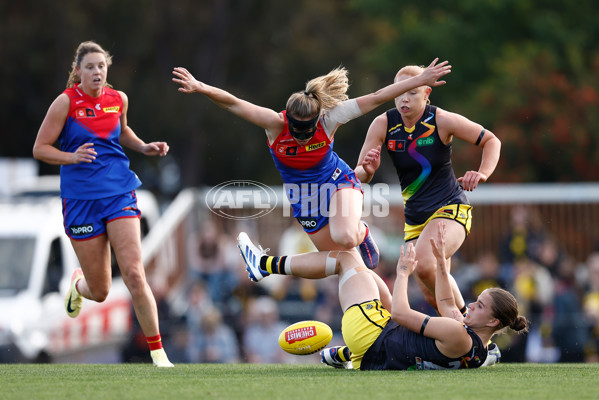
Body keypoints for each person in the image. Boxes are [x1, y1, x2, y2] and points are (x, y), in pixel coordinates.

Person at [172, 59, 452, 269]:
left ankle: (361, 231)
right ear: (288, 118)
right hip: (305, 197)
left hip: (338, 180)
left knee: (345, 237)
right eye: (298, 129)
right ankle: (269, 266)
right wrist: (201, 87)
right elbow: (233, 103)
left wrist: (420, 80)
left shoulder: (330, 119)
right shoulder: (274, 124)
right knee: (339, 263)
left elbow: (378, 97)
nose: (303, 136)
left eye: (309, 129)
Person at [32, 41, 173, 367]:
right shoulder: (65, 103)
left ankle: (158, 353)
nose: (97, 72)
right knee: (101, 291)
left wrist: (144, 147)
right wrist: (72, 156)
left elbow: (121, 132)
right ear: (78, 71)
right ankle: (79, 286)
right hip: (81, 201)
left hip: (119, 193)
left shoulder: (118, 99)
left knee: (135, 275)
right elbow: (40, 148)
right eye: (91, 67)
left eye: (101, 66)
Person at [236, 222, 528, 370]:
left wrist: (402, 272)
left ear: (491, 321)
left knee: (345, 259)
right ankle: (346, 356)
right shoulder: (477, 346)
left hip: (372, 333)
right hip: (378, 352)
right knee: (365, 274)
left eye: (479, 305)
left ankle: (262, 266)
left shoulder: (458, 333)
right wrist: (440, 263)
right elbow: (448, 304)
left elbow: (401, 313)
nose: (471, 304)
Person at [354, 63, 501, 313]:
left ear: (426, 94)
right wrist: (368, 169)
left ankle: (468, 321)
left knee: (423, 265)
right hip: (415, 220)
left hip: (450, 208)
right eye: (400, 91)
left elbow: (491, 140)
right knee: (433, 297)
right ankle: (473, 350)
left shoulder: (441, 120)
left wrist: (482, 173)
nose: (404, 98)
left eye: (413, 91)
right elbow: (359, 175)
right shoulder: (383, 124)